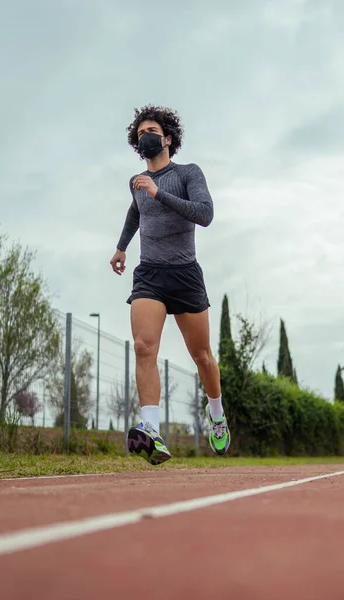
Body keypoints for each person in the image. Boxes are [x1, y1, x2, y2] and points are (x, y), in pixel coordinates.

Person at [110, 105, 230, 465]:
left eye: (151, 130)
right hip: (150, 274)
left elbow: (205, 214)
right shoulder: (137, 184)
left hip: (185, 274)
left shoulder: (188, 173)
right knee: (144, 347)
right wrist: (120, 247)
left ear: (167, 138)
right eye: (140, 132)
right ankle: (151, 429)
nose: (145, 136)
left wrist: (159, 192)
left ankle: (218, 415)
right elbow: (136, 211)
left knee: (202, 357)